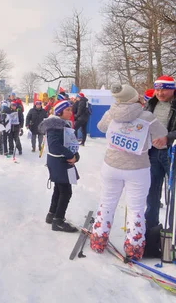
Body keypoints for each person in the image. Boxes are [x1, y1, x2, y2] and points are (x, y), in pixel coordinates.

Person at [90, 84, 167, 260]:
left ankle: (98, 241)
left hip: (111, 166)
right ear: (134, 97)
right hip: (138, 168)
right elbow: (162, 134)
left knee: (107, 203)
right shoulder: (147, 116)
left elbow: (101, 127)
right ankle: (134, 248)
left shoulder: (111, 113)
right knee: (136, 209)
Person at [39, 100, 80, 232]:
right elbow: (55, 145)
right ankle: (58, 221)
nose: (70, 112)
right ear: (59, 112)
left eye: (70, 109)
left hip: (60, 161)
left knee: (59, 189)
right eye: (67, 110)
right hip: (58, 162)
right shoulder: (55, 125)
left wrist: (75, 156)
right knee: (66, 192)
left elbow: (69, 143)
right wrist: (70, 155)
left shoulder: (62, 124)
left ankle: (52, 215)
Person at [143, 75, 176, 230]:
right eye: (157, 89)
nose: (160, 93)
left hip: (172, 154)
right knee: (152, 190)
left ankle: (172, 231)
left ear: (172, 89)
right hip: (153, 153)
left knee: (173, 194)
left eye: (164, 90)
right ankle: (150, 228)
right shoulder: (150, 103)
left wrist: (168, 138)